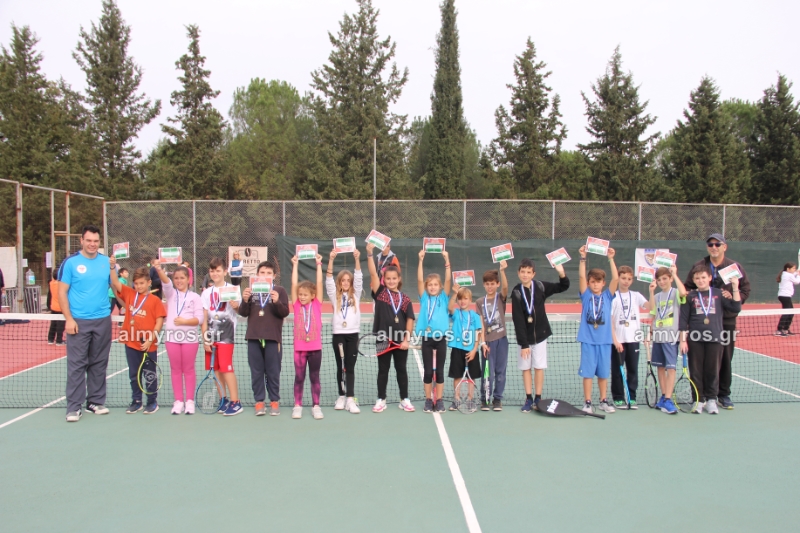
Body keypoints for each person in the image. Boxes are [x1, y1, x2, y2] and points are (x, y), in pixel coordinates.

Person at [684, 233, 750, 410]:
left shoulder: (734, 267)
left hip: (726, 321)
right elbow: (688, 287)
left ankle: (723, 394)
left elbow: (745, 289)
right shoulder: (699, 266)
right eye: (710, 244)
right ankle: (701, 396)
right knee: (699, 362)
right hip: (701, 322)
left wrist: (734, 295)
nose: (714, 247)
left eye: (717, 244)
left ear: (724, 247)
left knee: (725, 358)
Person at [58, 225, 113, 422]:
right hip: (78, 321)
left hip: (102, 320)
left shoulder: (106, 262)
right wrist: (69, 319)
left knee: (99, 363)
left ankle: (95, 402)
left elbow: (116, 287)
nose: (92, 244)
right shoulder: (70, 263)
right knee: (77, 364)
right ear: (81, 241)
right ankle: (74, 407)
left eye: (96, 241)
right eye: (89, 240)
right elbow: (62, 292)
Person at [680, 265, 742, 415]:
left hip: (715, 338)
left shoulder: (719, 293)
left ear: (709, 278)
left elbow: (736, 308)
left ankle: (711, 400)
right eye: (697, 278)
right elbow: (683, 320)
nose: (700, 280)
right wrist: (682, 340)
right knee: (696, 371)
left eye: (703, 277)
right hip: (695, 339)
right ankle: (698, 400)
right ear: (693, 280)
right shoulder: (690, 296)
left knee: (712, 370)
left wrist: (735, 287)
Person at [510, 258, 570, 412]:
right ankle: (528, 398)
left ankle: (538, 398)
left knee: (539, 367)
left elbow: (563, 286)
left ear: (533, 274)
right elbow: (518, 319)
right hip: (524, 339)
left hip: (541, 336)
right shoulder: (516, 292)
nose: (525, 275)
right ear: (518, 273)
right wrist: (524, 344)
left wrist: (561, 273)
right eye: (523, 272)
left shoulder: (541, 286)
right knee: (526, 368)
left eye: (528, 272)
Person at [366, 242, 416, 413]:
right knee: (383, 370)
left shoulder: (406, 299)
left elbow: (410, 320)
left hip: (400, 341)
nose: (391, 281)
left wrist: (406, 339)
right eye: (388, 279)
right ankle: (381, 399)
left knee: (401, 370)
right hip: (382, 339)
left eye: (394, 278)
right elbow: (373, 273)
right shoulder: (380, 293)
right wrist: (369, 254)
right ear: (384, 280)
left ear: (399, 279)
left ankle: (404, 399)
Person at [111, 263, 167, 414]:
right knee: (134, 374)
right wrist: (111, 267)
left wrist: (150, 340)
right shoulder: (130, 294)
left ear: (149, 283)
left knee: (149, 374)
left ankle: (152, 401)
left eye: (142, 283)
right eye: (136, 283)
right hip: (131, 342)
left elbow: (159, 322)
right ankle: (137, 401)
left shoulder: (155, 300)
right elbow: (115, 282)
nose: (138, 286)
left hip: (149, 344)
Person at [153, 260, 204, 415]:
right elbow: (166, 282)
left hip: (190, 338)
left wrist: (184, 322)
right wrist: (159, 269)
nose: (179, 281)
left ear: (188, 279)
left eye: (182, 278)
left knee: (188, 369)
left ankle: (189, 401)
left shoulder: (195, 297)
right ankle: (178, 401)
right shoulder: (171, 294)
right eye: (176, 278)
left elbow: (200, 319)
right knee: (175, 370)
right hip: (172, 339)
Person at [239, 260, 289, 416]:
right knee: (256, 371)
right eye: (262, 273)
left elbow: (284, 312)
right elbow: (243, 313)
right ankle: (259, 401)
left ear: (274, 276)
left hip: (273, 338)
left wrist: (277, 302)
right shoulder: (251, 290)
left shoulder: (280, 291)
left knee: (273, 371)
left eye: (268, 273)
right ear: (257, 275)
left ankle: (274, 400)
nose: (265, 275)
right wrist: (245, 300)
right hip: (253, 337)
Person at [577, 245, 619, 414]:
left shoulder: (608, 296)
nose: (595, 284)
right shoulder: (586, 295)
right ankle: (587, 403)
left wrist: (611, 258)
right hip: (588, 341)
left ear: (603, 283)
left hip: (604, 341)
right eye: (592, 282)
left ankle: (603, 401)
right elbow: (581, 276)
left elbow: (616, 279)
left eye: (598, 281)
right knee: (588, 374)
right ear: (589, 283)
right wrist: (583, 257)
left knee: (603, 374)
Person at [201, 257, 242, 416]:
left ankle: (236, 402)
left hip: (227, 336)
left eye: (218, 270)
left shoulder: (232, 289)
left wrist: (236, 306)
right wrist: (205, 339)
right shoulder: (206, 293)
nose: (215, 273)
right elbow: (204, 318)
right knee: (216, 369)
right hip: (211, 337)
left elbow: (239, 311)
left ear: (225, 272)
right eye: (212, 271)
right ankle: (223, 399)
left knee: (226, 367)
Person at [326, 249, 364, 414]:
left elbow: (359, 277)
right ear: (339, 282)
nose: (346, 283)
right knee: (340, 366)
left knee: (350, 367)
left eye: (349, 280)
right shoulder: (334, 296)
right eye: (343, 280)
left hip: (353, 335)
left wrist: (357, 259)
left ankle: (350, 399)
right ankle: (341, 396)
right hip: (338, 335)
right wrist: (331, 259)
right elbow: (328, 280)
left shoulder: (356, 295)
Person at [609, 265, 652, 409]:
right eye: (623, 278)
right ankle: (618, 398)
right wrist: (615, 340)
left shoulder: (636, 295)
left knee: (633, 370)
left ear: (632, 280)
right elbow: (610, 321)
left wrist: (652, 291)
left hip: (634, 340)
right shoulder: (613, 296)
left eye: (629, 279)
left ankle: (631, 397)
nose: (626, 281)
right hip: (618, 341)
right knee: (617, 371)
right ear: (618, 278)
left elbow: (651, 306)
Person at [415, 248, 451, 413]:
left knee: (440, 371)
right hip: (427, 339)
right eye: (430, 284)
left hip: (441, 338)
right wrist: (420, 260)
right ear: (426, 287)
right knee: (428, 371)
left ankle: (440, 400)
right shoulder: (424, 298)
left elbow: (449, 280)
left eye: (436, 284)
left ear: (440, 286)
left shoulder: (443, 297)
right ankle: (429, 400)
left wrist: (447, 261)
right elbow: (419, 279)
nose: (432, 287)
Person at [289, 253, 324, 420]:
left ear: (312, 296)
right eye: (300, 294)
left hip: (315, 348)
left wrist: (319, 264)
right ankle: (298, 405)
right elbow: (293, 284)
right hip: (300, 349)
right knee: (299, 377)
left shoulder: (317, 304)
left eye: (305, 294)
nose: (302, 297)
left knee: (314, 377)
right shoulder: (296, 305)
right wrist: (295, 264)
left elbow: (319, 283)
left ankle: (316, 406)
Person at [648, 266, 687, 415]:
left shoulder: (676, 293)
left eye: (665, 278)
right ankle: (663, 397)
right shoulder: (657, 296)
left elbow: (684, 293)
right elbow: (653, 312)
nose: (662, 282)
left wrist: (675, 274)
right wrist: (651, 292)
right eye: (659, 280)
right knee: (660, 367)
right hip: (658, 337)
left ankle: (669, 399)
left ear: (670, 279)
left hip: (671, 337)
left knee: (671, 369)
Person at [447, 286, 484, 411]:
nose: (462, 301)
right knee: (457, 375)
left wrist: (474, 350)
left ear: (470, 300)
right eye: (460, 299)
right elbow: (450, 307)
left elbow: (478, 333)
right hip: (457, 349)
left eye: (465, 298)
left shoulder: (475, 316)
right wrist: (454, 294)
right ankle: (456, 399)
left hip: (472, 351)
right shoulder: (456, 313)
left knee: (471, 377)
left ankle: (470, 399)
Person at [478, 262, 509, 411]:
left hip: (502, 341)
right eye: (487, 284)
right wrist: (483, 343)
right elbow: (481, 325)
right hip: (487, 343)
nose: (490, 286)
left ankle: (497, 399)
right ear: (484, 285)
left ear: (497, 284)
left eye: (492, 284)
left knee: (500, 372)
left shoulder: (500, 298)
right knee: (487, 373)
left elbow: (505, 288)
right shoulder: (479, 302)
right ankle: (485, 399)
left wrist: (502, 271)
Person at [776, 262, 800, 336]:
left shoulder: (785, 274)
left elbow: (793, 274)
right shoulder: (788, 275)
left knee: (791, 312)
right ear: (788, 269)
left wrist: (797, 272)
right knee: (787, 313)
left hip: (784, 296)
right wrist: (798, 275)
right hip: (785, 296)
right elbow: (797, 282)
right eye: (793, 268)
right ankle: (779, 330)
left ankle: (785, 329)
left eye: (795, 268)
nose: (794, 269)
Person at [47, 266, 65, 346]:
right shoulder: (62, 285)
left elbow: (49, 295)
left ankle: (50, 339)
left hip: (53, 306)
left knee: (53, 323)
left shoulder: (51, 283)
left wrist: (48, 306)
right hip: (61, 307)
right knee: (60, 325)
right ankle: (59, 340)